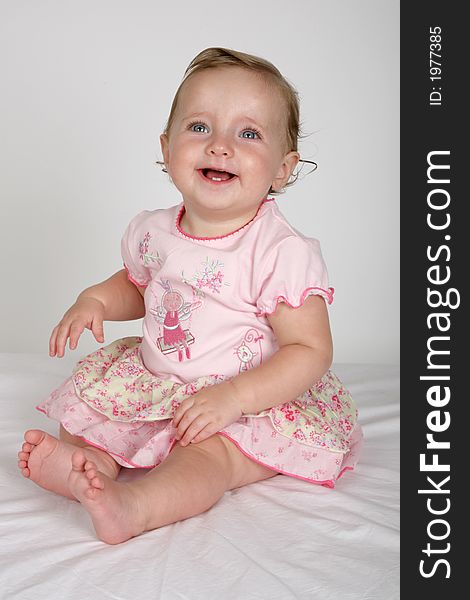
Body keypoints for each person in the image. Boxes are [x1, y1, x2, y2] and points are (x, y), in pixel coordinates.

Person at [17, 47, 363, 545]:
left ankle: (135, 506)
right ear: (166, 146)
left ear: (283, 169)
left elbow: (310, 350)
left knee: (208, 457)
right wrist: (95, 299)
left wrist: (232, 399)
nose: (220, 146)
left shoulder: (279, 251)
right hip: (162, 382)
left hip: (247, 399)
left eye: (248, 134)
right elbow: (138, 287)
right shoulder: (154, 231)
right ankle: (89, 466)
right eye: (200, 127)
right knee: (93, 417)